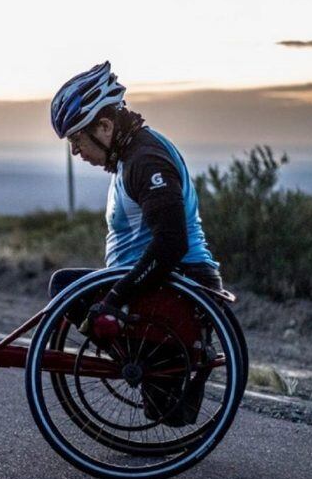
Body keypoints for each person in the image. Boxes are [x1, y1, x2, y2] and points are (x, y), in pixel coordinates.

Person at [48, 61, 223, 426]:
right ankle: (155, 370)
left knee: (65, 286)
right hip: (162, 285)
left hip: (177, 285)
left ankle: (150, 361)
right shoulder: (132, 157)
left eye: (77, 140)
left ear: (105, 126)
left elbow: (171, 244)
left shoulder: (146, 158)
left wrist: (115, 299)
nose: (76, 152)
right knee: (165, 414)